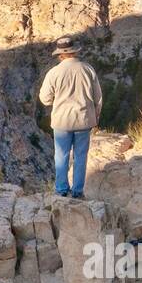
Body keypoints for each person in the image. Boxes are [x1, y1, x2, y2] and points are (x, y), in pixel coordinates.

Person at [38, 36, 102, 198]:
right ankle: (78, 191)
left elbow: (45, 99)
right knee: (80, 156)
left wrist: (57, 100)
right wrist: (96, 116)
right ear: (75, 51)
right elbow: (98, 97)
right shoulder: (88, 69)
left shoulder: (53, 73)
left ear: (60, 55)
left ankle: (61, 190)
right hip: (84, 120)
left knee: (61, 156)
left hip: (61, 121)